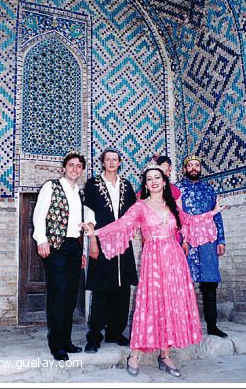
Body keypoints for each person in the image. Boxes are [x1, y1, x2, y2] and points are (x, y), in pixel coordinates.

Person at [80, 161, 226, 377]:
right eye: (149, 179)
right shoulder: (140, 206)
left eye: (157, 178)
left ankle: (165, 355)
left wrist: (213, 212)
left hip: (175, 260)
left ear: (164, 182)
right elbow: (122, 224)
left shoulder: (173, 207)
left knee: (170, 304)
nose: (154, 182)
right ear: (146, 185)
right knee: (150, 304)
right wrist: (96, 233)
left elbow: (191, 222)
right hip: (154, 260)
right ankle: (135, 355)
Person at [32, 151, 87, 361]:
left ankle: (66, 340)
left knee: (71, 294)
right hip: (55, 246)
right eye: (71, 165)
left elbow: (77, 226)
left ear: (81, 170)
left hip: (73, 246)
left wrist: (80, 252)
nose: (75, 169)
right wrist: (41, 240)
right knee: (59, 294)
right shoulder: (51, 186)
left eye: (78, 166)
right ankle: (57, 345)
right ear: (64, 168)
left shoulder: (78, 193)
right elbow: (39, 214)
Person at [83, 147, 138, 353]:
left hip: (123, 243)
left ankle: (115, 332)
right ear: (103, 162)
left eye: (115, 159)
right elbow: (89, 215)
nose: (112, 162)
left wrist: (130, 233)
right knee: (101, 289)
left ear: (120, 162)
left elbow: (133, 213)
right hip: (102, 240)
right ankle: (94, 335)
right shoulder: (93, 185)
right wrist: (93, 241)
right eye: (108, 159)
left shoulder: (126, 185)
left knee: (123, 288)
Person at [177, 154, 227, 338]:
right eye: (190, 165)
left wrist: (221, 240)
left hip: (207, 241)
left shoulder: (209, 189)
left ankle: (212, 326)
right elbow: (177, 216)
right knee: (185, 283)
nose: (193, 168)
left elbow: (217, 216)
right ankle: (186, 326)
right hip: (187, 241)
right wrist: (181, 239)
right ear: (185, 169)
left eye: (196, 165)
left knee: (210, 283)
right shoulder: (178, 189)